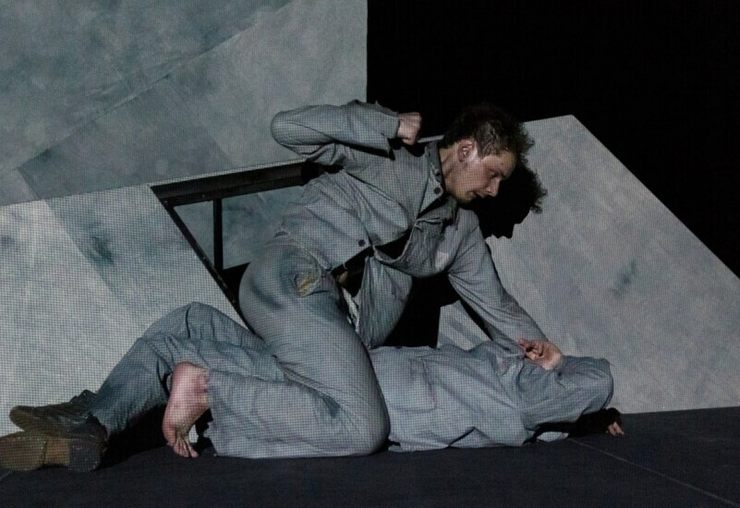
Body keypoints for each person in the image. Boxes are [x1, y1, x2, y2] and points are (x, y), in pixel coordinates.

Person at [229, 100, 553, 458]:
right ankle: (209, 392)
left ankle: (200, 346)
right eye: (493, 174)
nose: (494, 190)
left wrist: (552, 363)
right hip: (294, 279)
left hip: (343, 330)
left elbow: (497, 305)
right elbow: (286, 128)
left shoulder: (460, 231)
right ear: (466, 150)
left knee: (310, 391)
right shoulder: (386, 154)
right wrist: (386, 123)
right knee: (365, 429)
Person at [0, 302, 622, 472]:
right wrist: (563, 362)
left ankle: (94, 422)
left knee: (190, 323)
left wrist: (584, 413)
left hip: (371, 369)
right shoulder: (519, 392)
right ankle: (197, 389)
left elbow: (581, 401)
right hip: (388, 393)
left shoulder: (510, 387)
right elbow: (598, 380)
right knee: (218, 364)